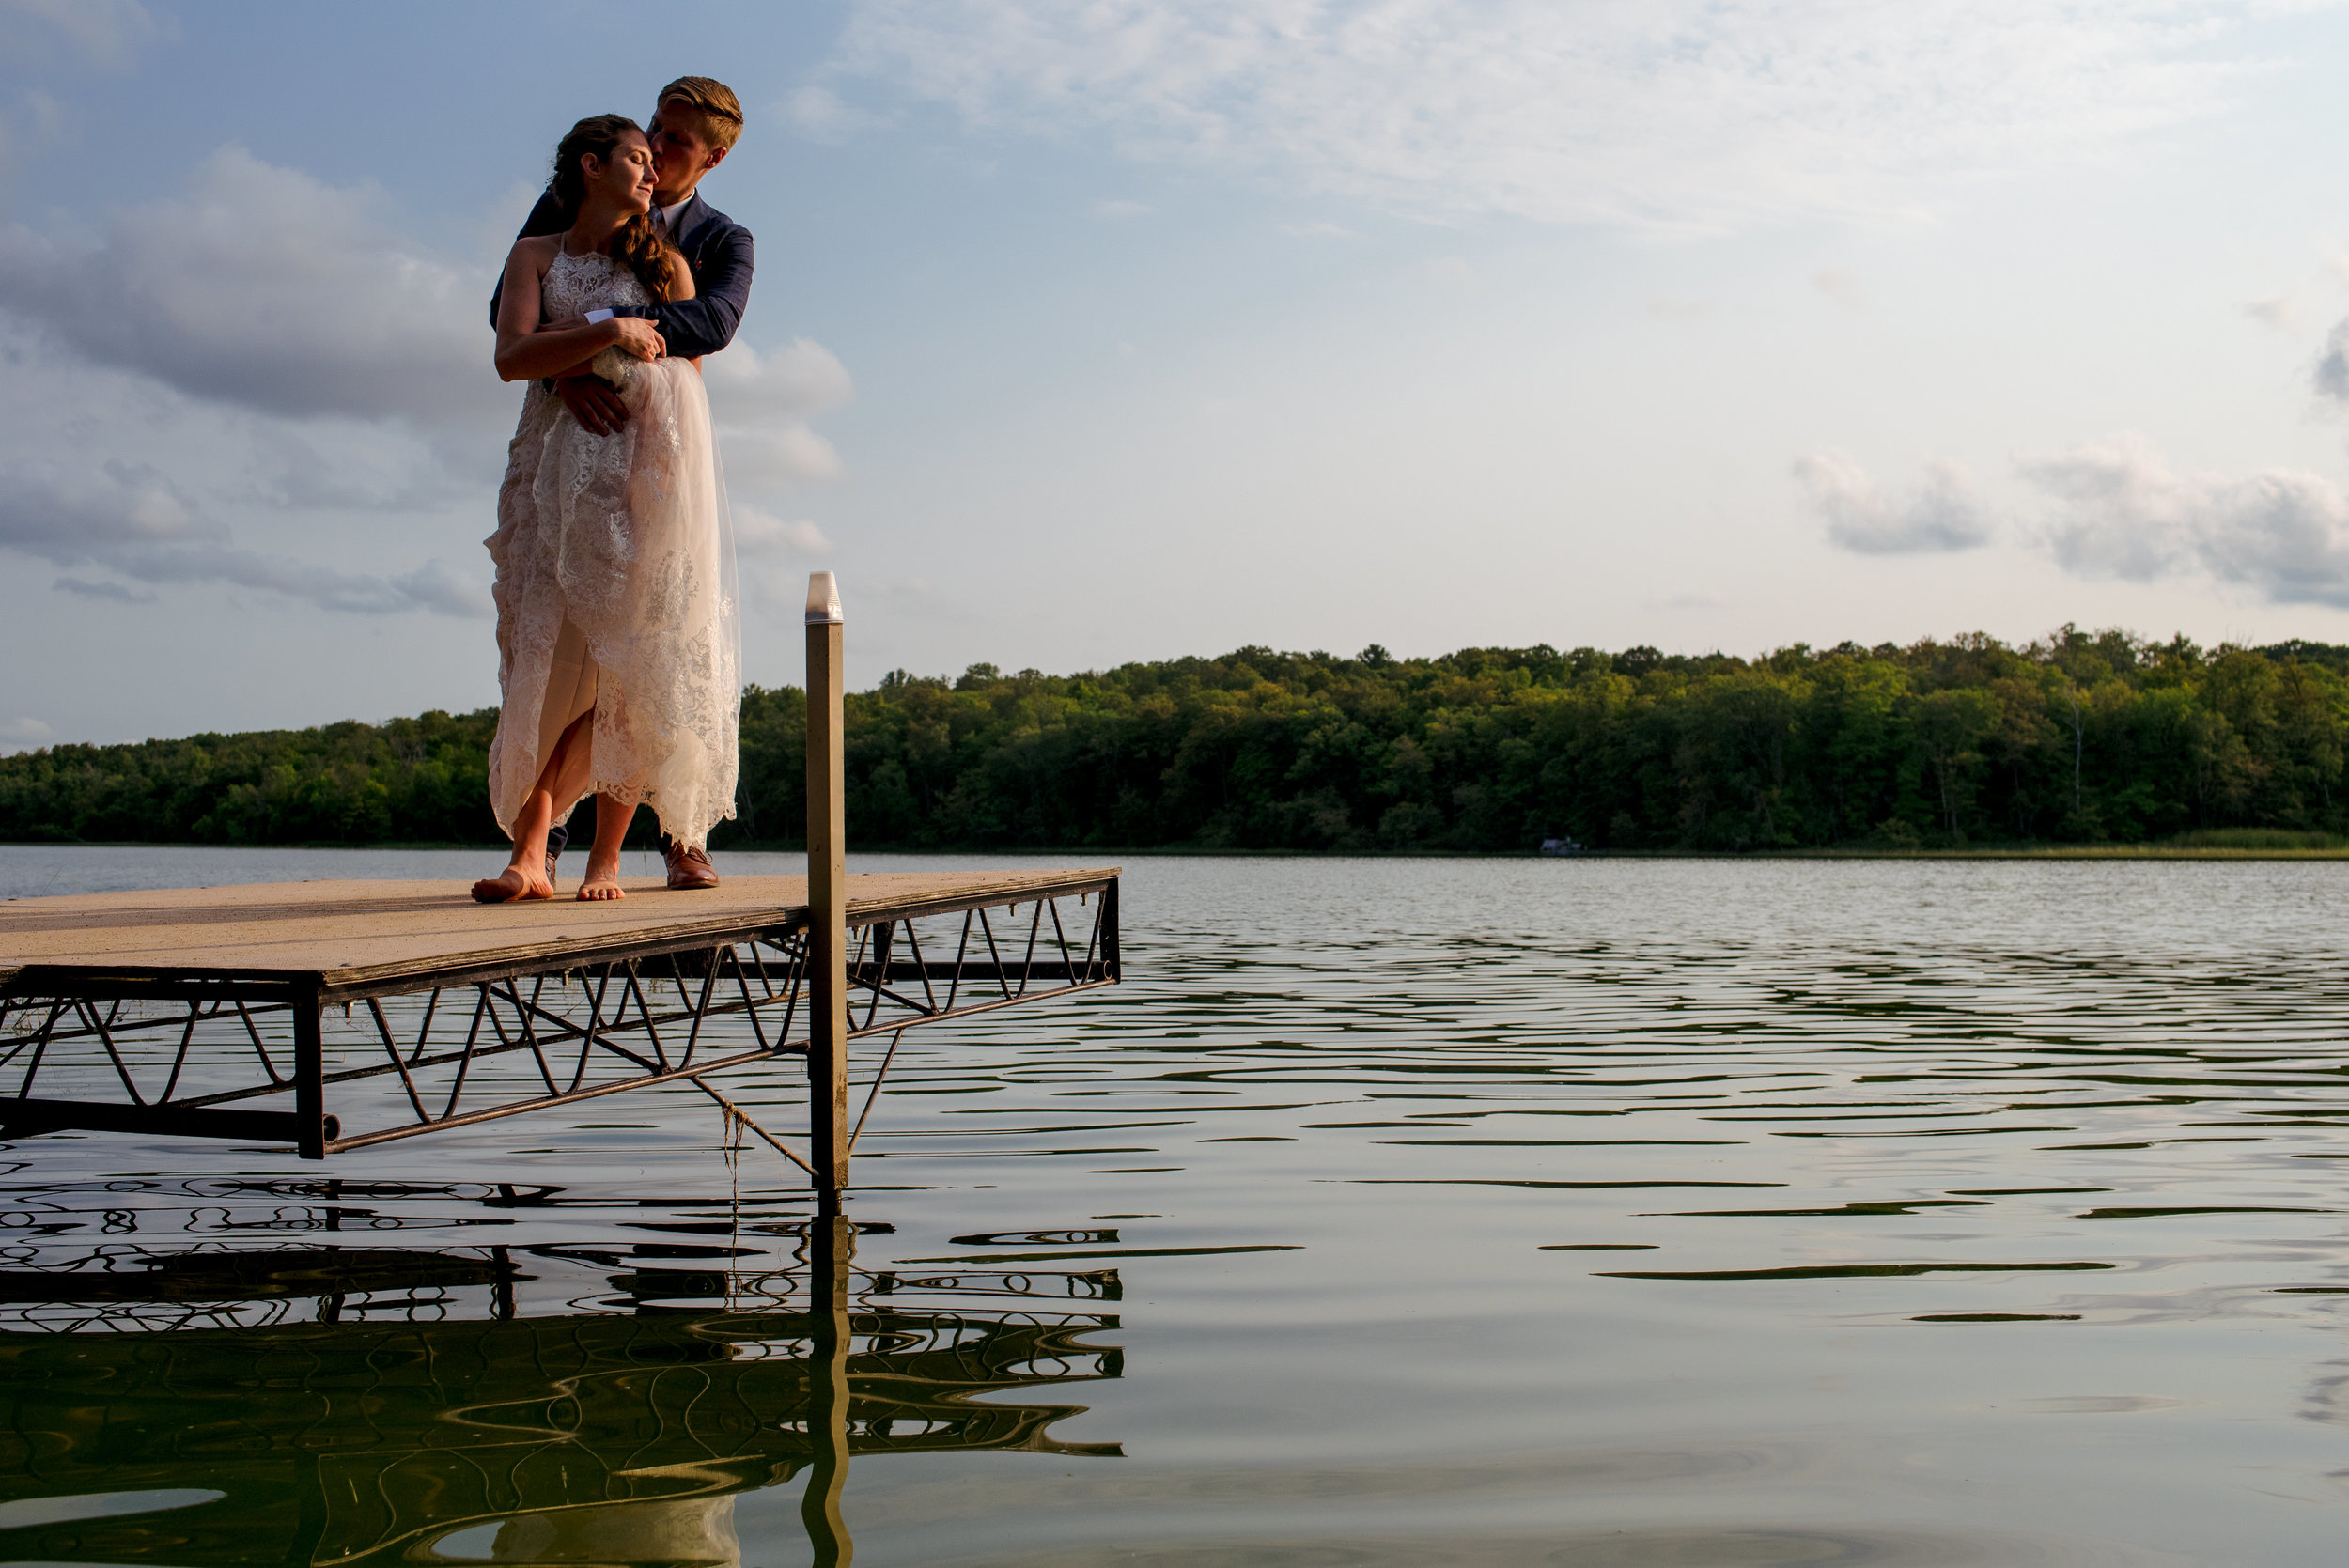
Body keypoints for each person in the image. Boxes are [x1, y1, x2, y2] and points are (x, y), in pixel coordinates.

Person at [487, 76, 754, 892]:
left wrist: (603, 341)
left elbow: (710, 327)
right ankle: (540, 846)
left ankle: (669, 835)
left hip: (650, 457)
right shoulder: (562, 214)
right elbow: (509, 323)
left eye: (673, 143)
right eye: (651, 134)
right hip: (562, 445)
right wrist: (573, 366)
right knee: (554, 645)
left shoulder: (713, 240)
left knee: (649, 649)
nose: (657, 151)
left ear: (709, 158)